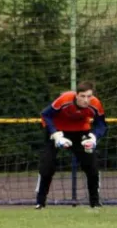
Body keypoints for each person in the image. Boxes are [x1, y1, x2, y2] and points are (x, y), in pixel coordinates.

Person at [36, 81, 107, 209]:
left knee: (92, 166)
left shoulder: (96, 104)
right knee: (47, 166)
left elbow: (101, 124)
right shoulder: (64, 99)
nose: (86, 100)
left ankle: (95, 203)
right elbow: (45, 114)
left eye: (89, 96)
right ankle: (40, 203)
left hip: (81, 132)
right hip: (59, 131)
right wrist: (55, 134)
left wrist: (94, 137)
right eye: (83, 96)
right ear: (76, 95)